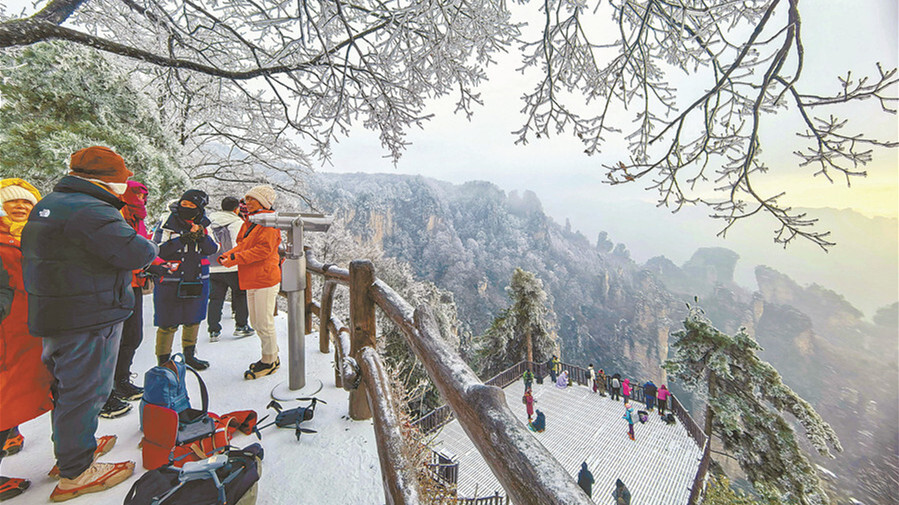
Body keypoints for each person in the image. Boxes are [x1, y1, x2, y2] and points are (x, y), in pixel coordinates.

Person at [22, 146, 157, 501]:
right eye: (122, 179)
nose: (125, 186)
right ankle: (77, 471)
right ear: (108, 180)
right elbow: (138, 252)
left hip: (58, 311)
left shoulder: (51, 203)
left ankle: (72, 452)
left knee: (69, 388)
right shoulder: (91, 211)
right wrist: (151, 246)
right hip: (87, 314)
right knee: (86, 390)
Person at [0, 179, 54, 501]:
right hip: (7, 332)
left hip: (26, 332)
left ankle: (11, 433)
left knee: (14, 394)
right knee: (4, 394)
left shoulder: (33, 238)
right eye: (11, 203)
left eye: (26, 203)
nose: (19, 207)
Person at [98, 181, 152, 419]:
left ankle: (121, 381)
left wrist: (153, 264)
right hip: (113, 285)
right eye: (137, 194)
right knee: (108, 341)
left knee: (132, 336)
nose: (141, 198)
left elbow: (142, 246)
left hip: (134, 284)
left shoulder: (138, 218)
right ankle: (103, 393)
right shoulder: (115, 214)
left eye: (144, 195)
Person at [219, 186, 282, 379]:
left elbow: (263, 250)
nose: (247, 202)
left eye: (252, 199)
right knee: (256, 322)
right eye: (246, 198)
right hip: (253, 277)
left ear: (263, 202)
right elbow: (244, 245)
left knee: (263, 322)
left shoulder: (268, 222)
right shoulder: (252, 221)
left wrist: (235, 259)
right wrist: (229, 255)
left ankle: (269, 360)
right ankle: (271, 355)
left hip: (264, 278)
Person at [152, 189, 218, 369]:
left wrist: (201, 237)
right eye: (184, 204)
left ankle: (190, 355)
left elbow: (213, 249)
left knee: (193, 317)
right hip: (171, 278)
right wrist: (182, 239)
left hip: (197, 276)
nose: (186, 208)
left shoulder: (205, 224)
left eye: (191, 205)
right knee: (167, 321)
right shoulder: (167, 222)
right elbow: (157, 249)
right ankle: (164, 361)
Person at [206, 196, 254, 342]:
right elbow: (244, 244)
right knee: (240, 295)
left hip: (213, 266)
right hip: (233, 266)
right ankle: (241, 326)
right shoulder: (238, 223)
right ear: (236, 209)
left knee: (215, 299)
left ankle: (213, 330)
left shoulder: (209, 222)